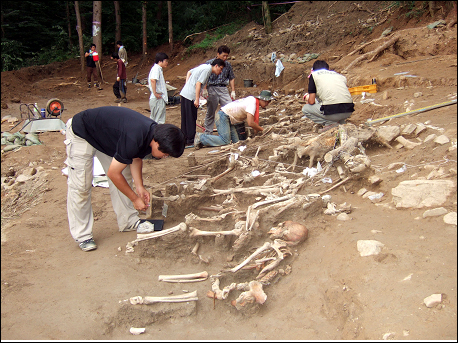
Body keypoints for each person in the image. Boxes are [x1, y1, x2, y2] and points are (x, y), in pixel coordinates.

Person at [64, 106, 186, 251]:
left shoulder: (152, 133)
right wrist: (135, 199)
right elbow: (113, 174)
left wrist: (140, 187)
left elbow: (136, 157)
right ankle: (83, 236)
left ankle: (129, 221)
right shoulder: (135, 136)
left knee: (125, 177)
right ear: (157, 144)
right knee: (81, 186)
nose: (165, 157)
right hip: (83, 132)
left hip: (106, 137)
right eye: (165, 154)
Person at [194, 90, 274, 149]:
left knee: (237, 143)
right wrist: (262, 130)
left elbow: (254, 121)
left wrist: (257, 134)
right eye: (268, 102)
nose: (268, 104)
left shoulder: (253, 100)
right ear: (263, 99)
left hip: (229, 119)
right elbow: (251, 123)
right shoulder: (252, 104)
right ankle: (201, 137)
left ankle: (203, 142)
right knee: (225, 140)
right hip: (224, 116)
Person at [179, 59, 225, 148]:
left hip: (185, 93)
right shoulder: (207, 70)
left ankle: (184, 139)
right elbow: (198, 83)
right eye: (221, 69)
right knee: (191, 118)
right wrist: (197, 99)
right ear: (216, 66)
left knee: (185, 118)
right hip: (190, 96)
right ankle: (191, 140)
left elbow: (189, 72)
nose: (221, 71)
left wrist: (187, 85)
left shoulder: (203, 66)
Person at [301, 60, 354, 133]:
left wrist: (308, 99)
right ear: (328, 68)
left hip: (332, 112)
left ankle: (330, 124)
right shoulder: (339, 76)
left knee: (306, 109)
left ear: (313, 70)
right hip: (348, 111)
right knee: (333, 101)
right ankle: (341, 122)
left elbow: (311, 101)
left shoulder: (314, 76)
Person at [203, 45, 236, 134]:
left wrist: (233, 90)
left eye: (226, 56)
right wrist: (205, 89)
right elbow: (204, 77)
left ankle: (230, 131)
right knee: (211, 111)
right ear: (218, 54)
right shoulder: (209, 63)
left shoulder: (228, 65)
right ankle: (208, 132)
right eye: (223, 55)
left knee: (230, 109)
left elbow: (231, 77)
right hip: (212, 88)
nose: (225, 58)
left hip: (223, 89)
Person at [148, 52, 169, 124]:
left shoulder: (158, 69)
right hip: (158, 98)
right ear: (160, 61)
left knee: (155, 119)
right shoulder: (156, 69)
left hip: (157, 97)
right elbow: (153, 80)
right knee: (158, 120)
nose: (167, 63)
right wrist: (155, 93)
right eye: (165, 61)